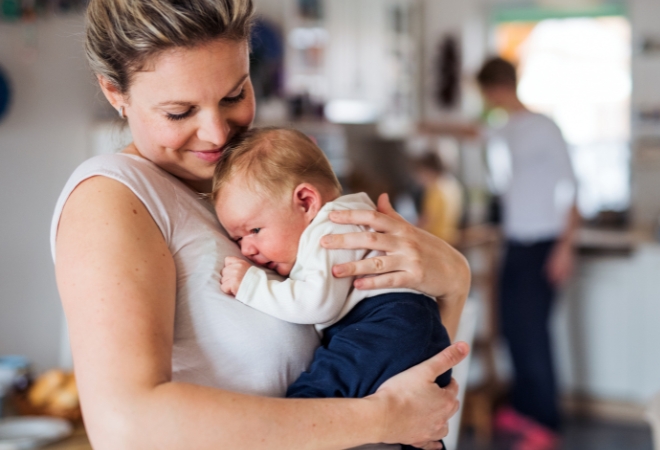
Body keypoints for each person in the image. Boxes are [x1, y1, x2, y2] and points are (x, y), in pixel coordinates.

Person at [51, 0, 471, 448]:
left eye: (234, 95)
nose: (217, 133)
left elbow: (406, 377)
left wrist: (453, 282)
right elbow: (126, 428)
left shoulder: (247, 191)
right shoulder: (113, 198)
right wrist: (382, 420)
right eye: (179, 112)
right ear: (115, 92)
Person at [211, 128, 451, 407]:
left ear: (306, 202)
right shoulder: (339, 222)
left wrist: (251, 285)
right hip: (399, 329)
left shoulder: (332, 230)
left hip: (388, 324)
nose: (247, 249)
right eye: (238, 239)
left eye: (254, 230)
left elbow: (315, 304)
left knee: (317, 394)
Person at [420, 57, 579, 450]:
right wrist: (426, 126)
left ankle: (545, 422)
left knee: (533, 335)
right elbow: (471, 131)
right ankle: (524, 409)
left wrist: (565, 248)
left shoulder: (544, 127)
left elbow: (573, 189)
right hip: (516, 243)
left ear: (494, 89)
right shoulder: (504, 127)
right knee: (512, 330)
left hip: (543, 245)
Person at [411, 152, 464, 245]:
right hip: (451, 238)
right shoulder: (452, 184)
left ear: (427, 170)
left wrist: (409, 230)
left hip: (436, 241)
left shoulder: (435, 189)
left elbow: (427, 221)